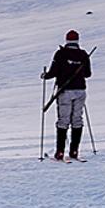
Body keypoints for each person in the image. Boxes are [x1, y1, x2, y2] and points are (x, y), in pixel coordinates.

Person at [42, 30, 92, 161]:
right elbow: (88, 74)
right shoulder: (83, 54)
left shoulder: (60, 54)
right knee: (77, 119)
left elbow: (53, 72)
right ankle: (74, 151)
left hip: (65, 91)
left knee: (63, 121)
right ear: (77, 40)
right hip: (80, 90)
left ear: (66, 40)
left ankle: (59, 152)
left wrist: (45, 75)